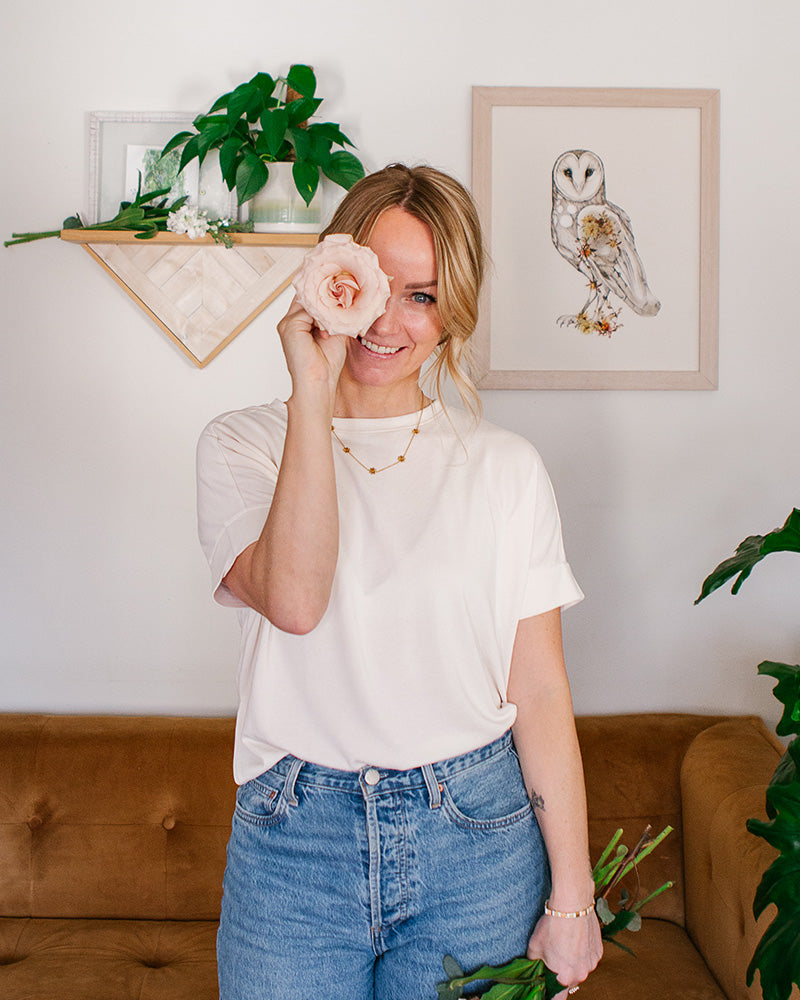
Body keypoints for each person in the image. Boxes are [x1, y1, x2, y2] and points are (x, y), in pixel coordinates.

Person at [196, 163, 602, 1000]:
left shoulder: (505, 469)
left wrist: (573, 897)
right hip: (294, 848)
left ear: (453, 311)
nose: (387, 320)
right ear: (328, 274)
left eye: (421, 296)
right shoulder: (242, 447)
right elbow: (297, 602)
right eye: (372, 285)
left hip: (476, 839)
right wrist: (312, 388)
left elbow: (540, 688)